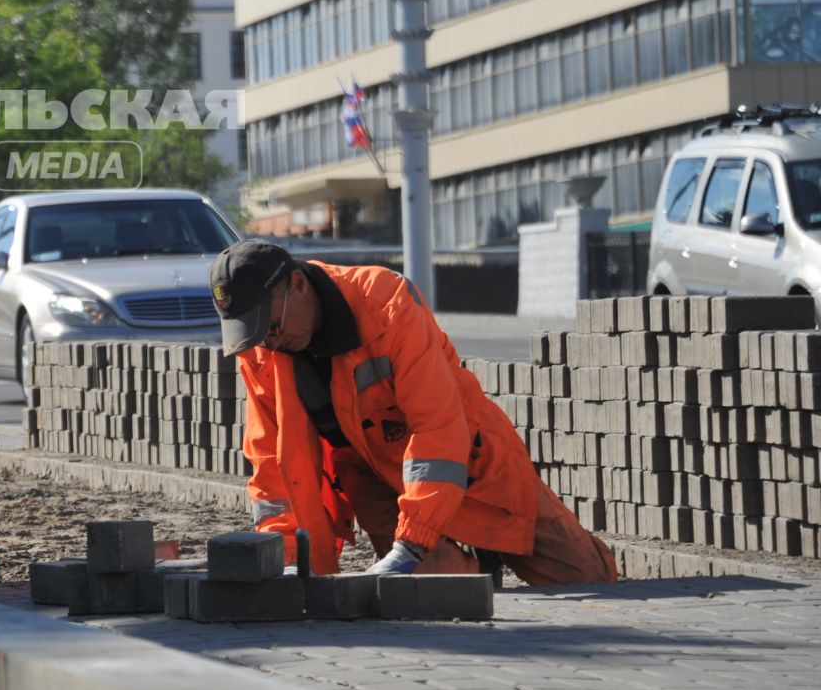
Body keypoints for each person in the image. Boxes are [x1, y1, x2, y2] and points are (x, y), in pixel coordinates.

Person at [211, 240, 617, 583]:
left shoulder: (384, 302)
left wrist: (414, 539)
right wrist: (285, 560)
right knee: (433, 586)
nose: (269, 341)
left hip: (469, 460)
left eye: (272, 326)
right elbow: (270, 461)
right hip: (371, 476)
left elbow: (437, 427)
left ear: (297, 285)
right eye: (256, 331)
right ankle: (472, 572)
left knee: (588, 578)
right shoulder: (262, 348)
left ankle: (486, 553)